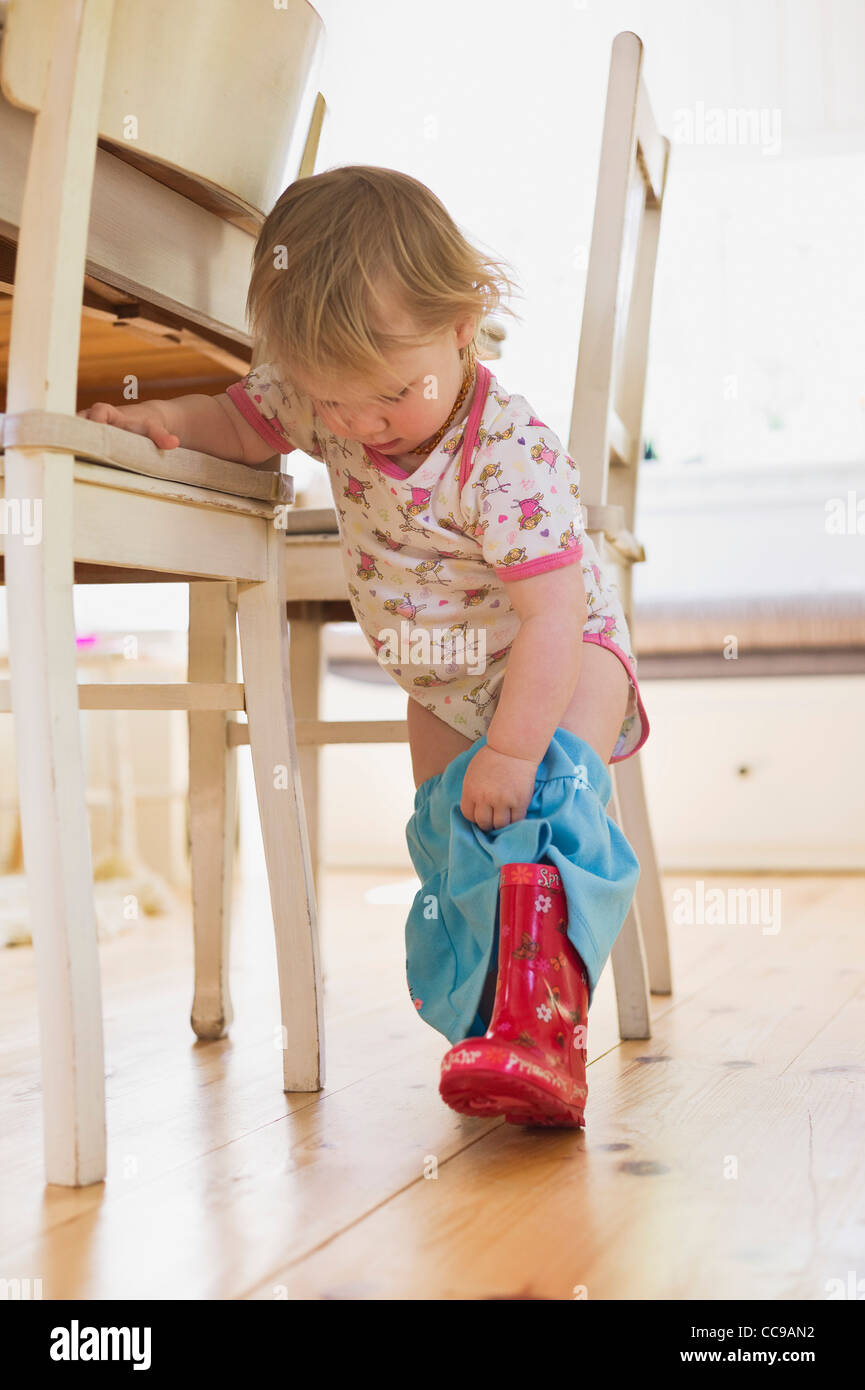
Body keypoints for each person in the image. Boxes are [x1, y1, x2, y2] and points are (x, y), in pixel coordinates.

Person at [79, 165, 647, 1129]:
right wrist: (162, 422)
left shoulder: (507, 455)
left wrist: (511, 747)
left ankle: (547, 1027)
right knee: (448, 834)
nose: (356, 424)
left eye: (386, 395)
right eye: (328, 403)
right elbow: (238, 421)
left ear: (463, 326)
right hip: (437, 674)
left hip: (555, 649)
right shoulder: (327, 393)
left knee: (545, 807)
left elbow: (550, 615)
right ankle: (492, 1018)